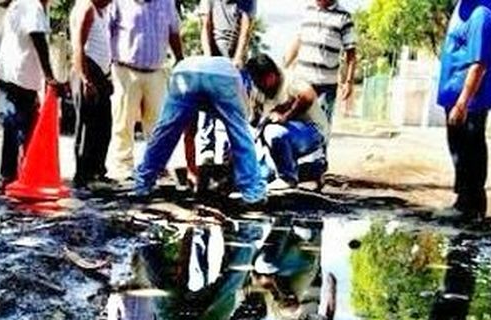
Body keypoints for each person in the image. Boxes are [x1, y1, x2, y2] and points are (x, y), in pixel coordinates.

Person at [134, 56, 266, 205]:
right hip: (223, 76)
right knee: (239, 132)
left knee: (166, 131)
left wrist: (192, 169)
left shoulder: (194, 98)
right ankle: (253, 193)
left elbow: (188, 134)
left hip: (184, 73)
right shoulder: (240, 85)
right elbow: (240, 135)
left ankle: (142, 184)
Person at [437, 0, 491, 222]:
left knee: (470, 149)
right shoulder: (462, 9)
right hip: (455, 97)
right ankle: (463, 201)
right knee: (458, 149)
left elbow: (479, 65)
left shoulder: (481, 15)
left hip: (470, 102)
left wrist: (462, 103)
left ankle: (473, 207)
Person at [108, 0, 184, 181]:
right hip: (125, 70)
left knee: (158, 124)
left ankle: (156, 166)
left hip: (156, 71)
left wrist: (181, 59)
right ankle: (122, 168)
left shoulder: (167, 3)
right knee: (123, 122)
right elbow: (107, 31)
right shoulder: (119, 2)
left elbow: (174, 31)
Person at [0, 0, 60, 191]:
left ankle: (15, 173)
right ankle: (10, 175)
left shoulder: (18, 4)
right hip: (19, 77)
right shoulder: (32, 5)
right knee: (16, 126)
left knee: (18, 126)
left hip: (11, 74)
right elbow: (38, 39)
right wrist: (49, 76)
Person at [246, 54, 329, 189]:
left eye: (262, 80)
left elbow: (309, 95)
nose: (259, 85)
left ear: (271, 75)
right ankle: (314, 169)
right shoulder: (258, 90)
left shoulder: (290, 79)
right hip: (288, 136)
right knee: (263, 175)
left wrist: (286, 115)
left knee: (273, 132)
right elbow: (254, 122)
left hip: (313, 131)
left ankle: (287, 178)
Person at [197, 0, 258, 164]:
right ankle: (206, 151)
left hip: (235, 60)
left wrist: (238, 58)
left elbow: (246, 28)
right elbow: (206, 26)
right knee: (207, 106)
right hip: (215, 55)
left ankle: (230, 154)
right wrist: (209, 58)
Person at [284, 0, 357, 129]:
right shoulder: (308, 10)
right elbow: (298, 41)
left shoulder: (344, 17)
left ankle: (321, 149)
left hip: (325, 87)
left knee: (321, 129)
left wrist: (349, 82)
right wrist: (283, 67)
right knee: (294, 124)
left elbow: (350, 54)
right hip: (301, 83)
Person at [70, 0, 113, 189]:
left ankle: (97, 170)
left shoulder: (102, 12)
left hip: (101, 73)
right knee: (87, 126)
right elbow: (78, 45)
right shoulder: (86, 8)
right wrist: (85, 79)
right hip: (88, 70)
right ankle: (83, 174)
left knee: (103, 125)